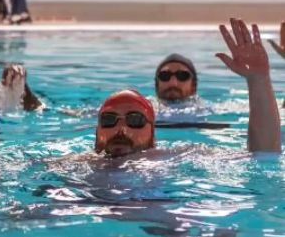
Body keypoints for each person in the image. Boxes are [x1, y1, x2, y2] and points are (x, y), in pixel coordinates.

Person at [94, 18, 280, 159]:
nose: (121, 129)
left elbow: (262, 155)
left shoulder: (171, 159)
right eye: (109, 119)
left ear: (152, 135)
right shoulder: (71, 166)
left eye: (135, 120)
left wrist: (259, 80)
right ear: (97, 132)